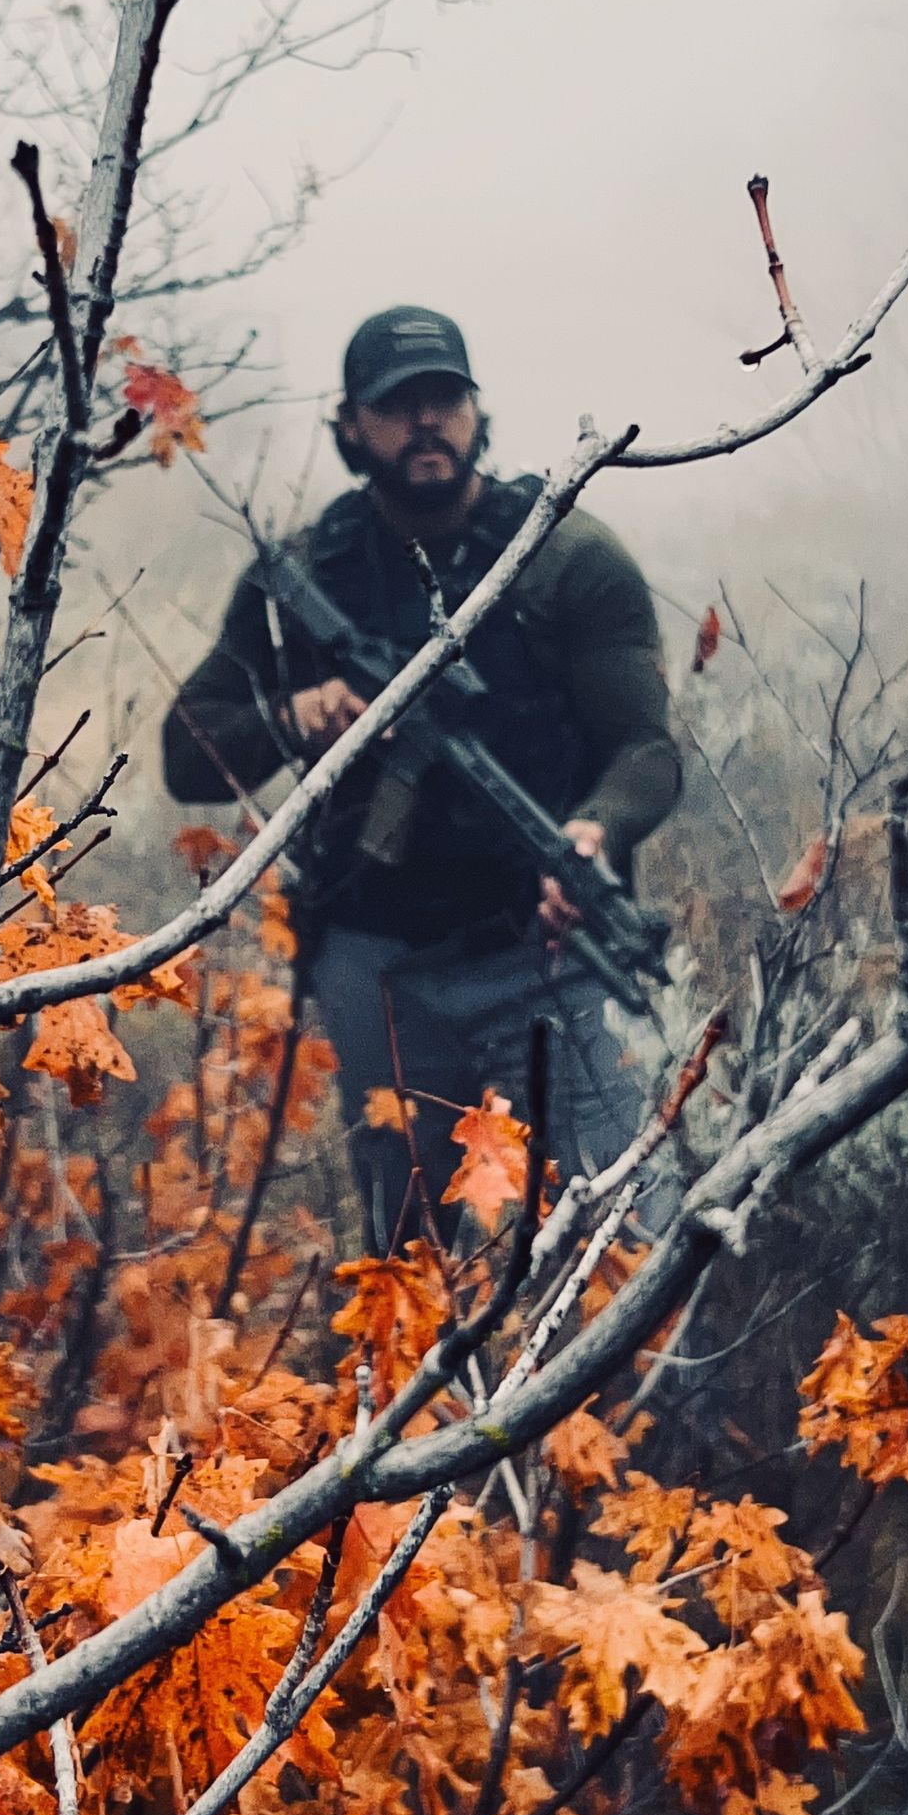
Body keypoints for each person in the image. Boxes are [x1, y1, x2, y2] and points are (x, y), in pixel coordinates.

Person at [160, 305, 682, 1249]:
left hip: (547, 953)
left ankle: (646, 1400)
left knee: (624, 1236)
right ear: (353, 426)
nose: (426, 422)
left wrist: (594, 834)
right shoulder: (303, 577)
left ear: (478, 411)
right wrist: (298, 712)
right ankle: (445, 1403)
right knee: (410, 1262)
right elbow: (185, 752)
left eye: (444, 399)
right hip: (381, 971)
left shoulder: (564, 556)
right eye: (398, 406)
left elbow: (648, 751)